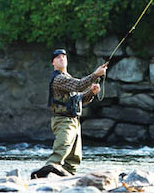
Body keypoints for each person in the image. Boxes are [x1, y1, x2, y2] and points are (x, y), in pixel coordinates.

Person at [31, 49, 108, 179]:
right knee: (62, 148)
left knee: (74, 157)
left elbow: (80, 99)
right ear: (53, 63)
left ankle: (67, 177)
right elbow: (78, 85)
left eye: (64, 57)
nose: (61, 59)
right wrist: (95, 75)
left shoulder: (68, 78)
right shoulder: (58, 79)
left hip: (74, 121)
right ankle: (45, 172)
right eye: (58, 57)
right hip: (63, 121)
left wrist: (91, 93)